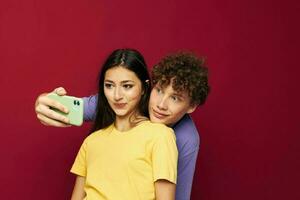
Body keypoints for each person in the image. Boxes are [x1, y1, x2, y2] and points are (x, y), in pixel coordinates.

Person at [35, 51, 210, 200]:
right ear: (149, 88)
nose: (161, 105)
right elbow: (68, 109)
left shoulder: (182, 137)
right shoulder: (118, 105)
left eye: (175, 98)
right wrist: (44, 101)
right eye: (159, 90)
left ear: (192, 106)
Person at [69, 49, 178, 200]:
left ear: (144, 88)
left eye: (127, 86)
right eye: (109, 85)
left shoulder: (160, 136)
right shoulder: (91, 141)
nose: (117, 96)